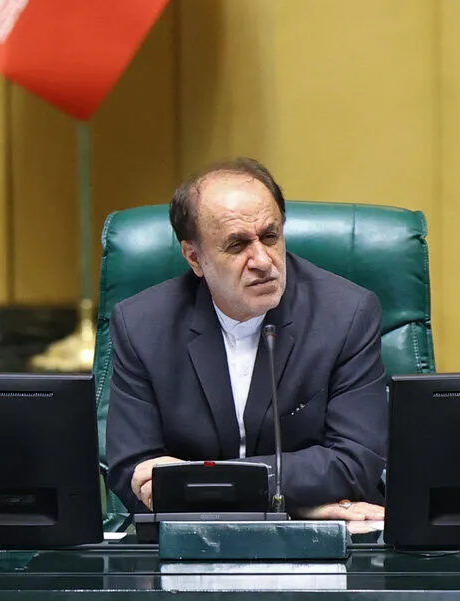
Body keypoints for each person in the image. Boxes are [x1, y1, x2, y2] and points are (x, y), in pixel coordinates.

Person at [105, 158, 387, 523]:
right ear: (194, 257)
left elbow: (355, 461)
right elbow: (132, 471)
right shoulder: (142, 326)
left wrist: (197, 482)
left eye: (270, 237)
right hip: (192, 543)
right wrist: (295, 506)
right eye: (237, 245)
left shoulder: (346, 314)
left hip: (319, 544)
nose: (263, 261)